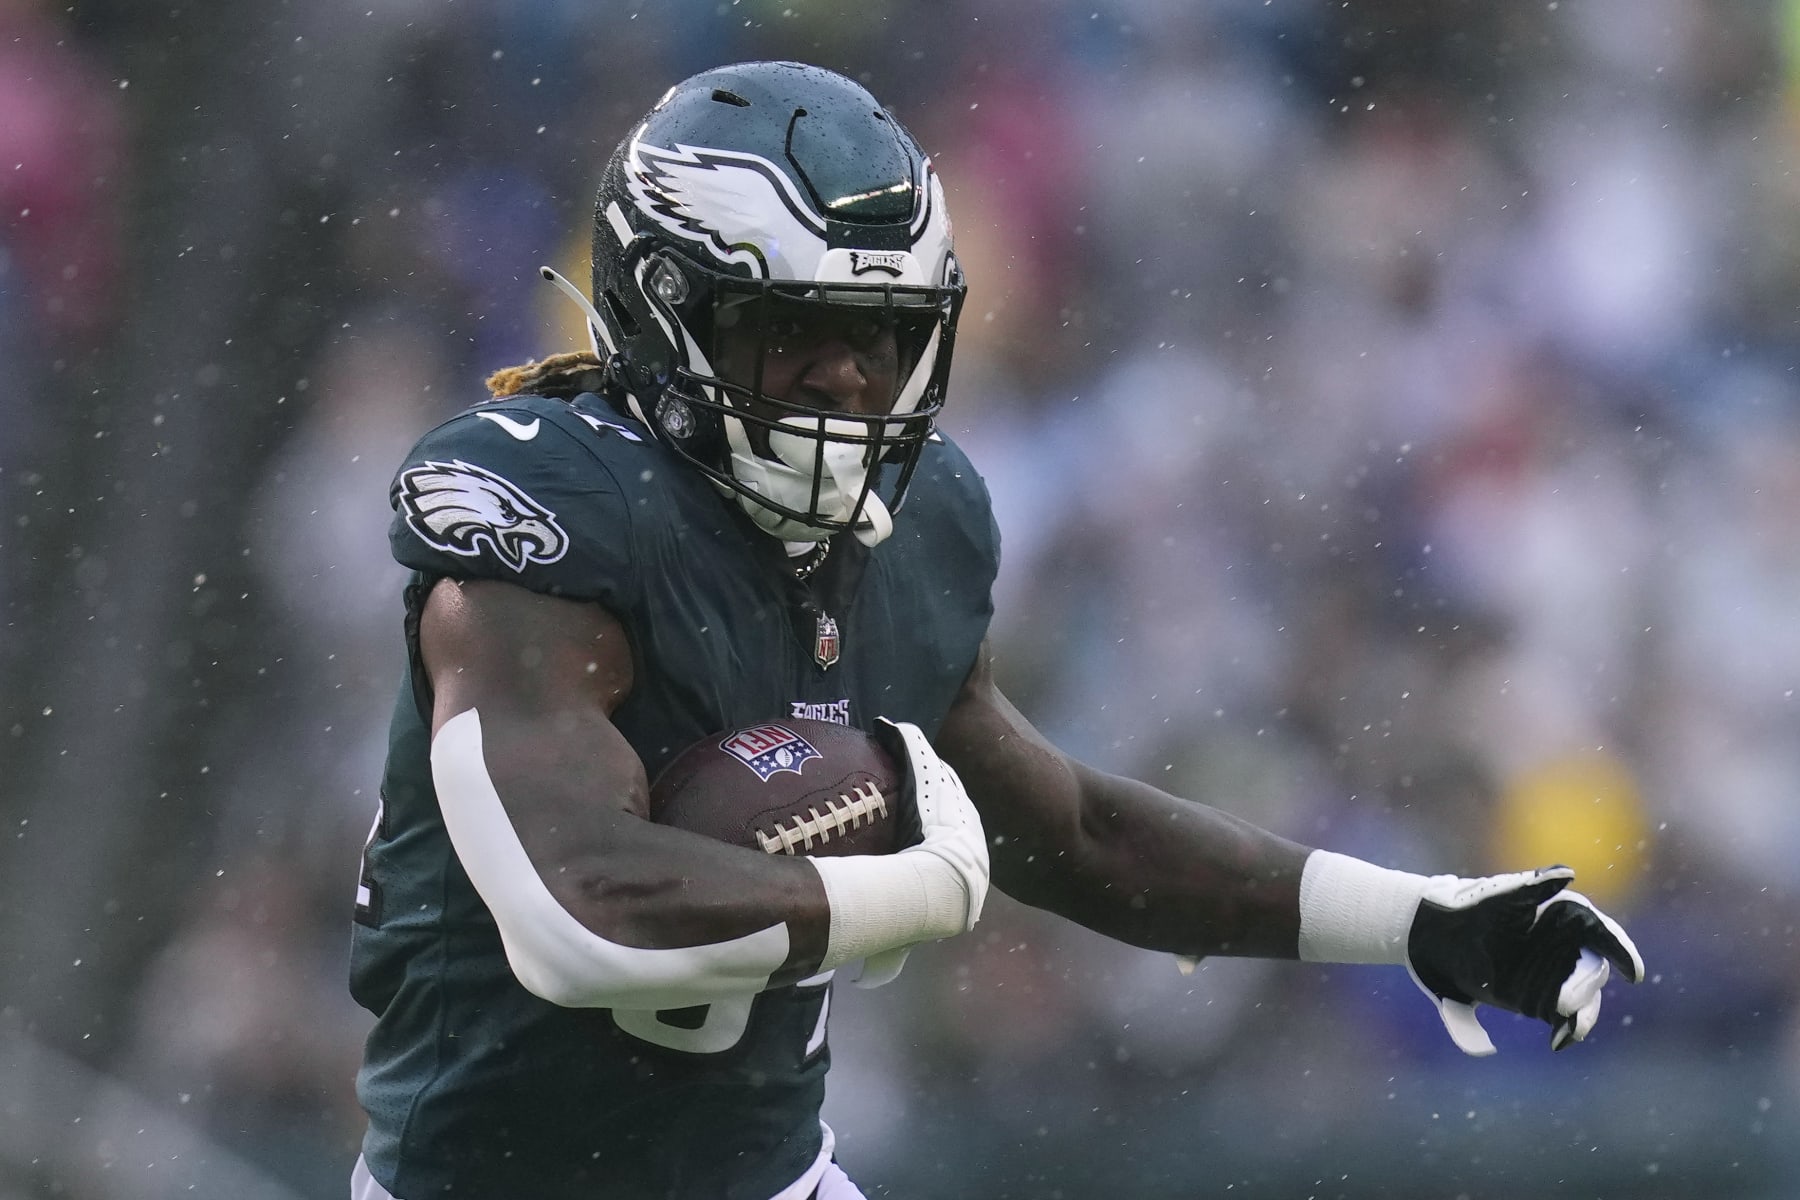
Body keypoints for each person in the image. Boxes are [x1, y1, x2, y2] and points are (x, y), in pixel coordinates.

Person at [347, 60, 1644, 1200]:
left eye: (876, 340)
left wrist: (1420, 920)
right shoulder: (538, 515)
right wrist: (909, 892)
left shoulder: (908, 527)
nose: (843, 385)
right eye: (792, 334)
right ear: (664, 308)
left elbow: (1071, 831)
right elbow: (582, 921)